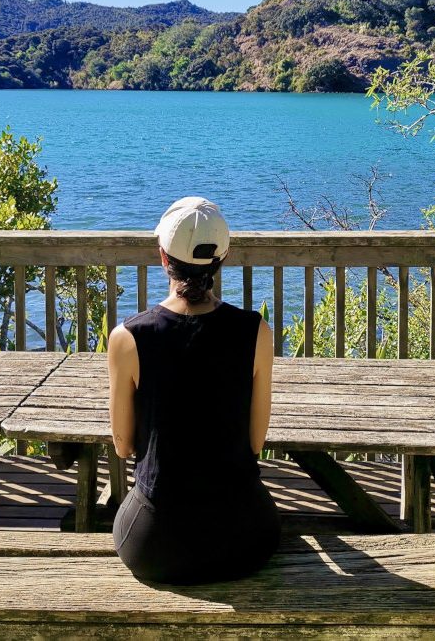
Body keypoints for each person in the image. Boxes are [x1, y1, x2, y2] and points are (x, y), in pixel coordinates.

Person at [107, 196, 281, 584]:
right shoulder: (256, 332)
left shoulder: (129, 337)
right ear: (222, 259)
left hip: (156, 544)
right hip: (246, 537)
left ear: (163, 257)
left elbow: (123, 446)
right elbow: (255, 442)